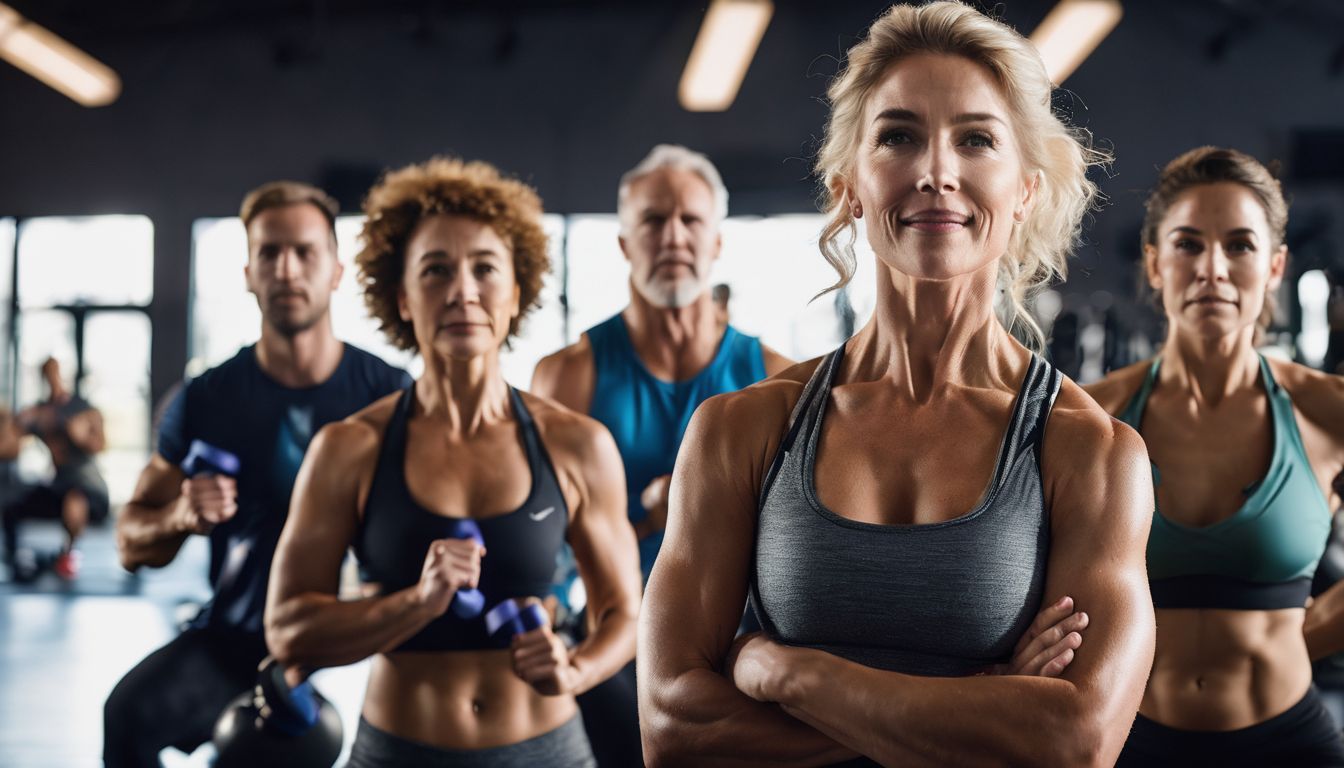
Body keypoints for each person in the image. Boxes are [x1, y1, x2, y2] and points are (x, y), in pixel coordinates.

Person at [639, 3, 1156, 766]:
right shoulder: (742, 430)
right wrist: (973, 706)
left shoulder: (1091, 453)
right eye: (898, 136)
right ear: (852, 183)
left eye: (976, 139)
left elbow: (1071, 742)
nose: (935, 171)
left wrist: (791, 671)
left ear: (1025, 192)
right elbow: (672, 727)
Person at [265, 157, 641, 768]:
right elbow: (288, 630)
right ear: (403, 298)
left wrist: (576, 669)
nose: (463, 291)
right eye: (435, 270)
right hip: (397, 750)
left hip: (548, 751)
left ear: (516, 293)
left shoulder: (576, 445)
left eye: (485, 269)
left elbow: (624, 611)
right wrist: (417, 602)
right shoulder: (349, 448)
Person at [105, 181, 410, 768]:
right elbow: (129, 542)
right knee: (127, 718)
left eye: (305, 252)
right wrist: (181, 514)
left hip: (357, 642)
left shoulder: (387, 395)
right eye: (269, 253)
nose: (286, 270)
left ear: (336, 271)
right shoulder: (206, 398)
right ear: (248, 272)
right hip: (242, 641)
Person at [531, 144, 791, 766]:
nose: (672, 236)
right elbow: (545, 543)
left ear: (717, 242)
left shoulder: (775, 379)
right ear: (624, 243)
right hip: (613, 653)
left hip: (736, 656)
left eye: (690, 220)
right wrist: (648, 517)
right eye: (652, 220)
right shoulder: (568, 377)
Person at [1085, 147, 1344, 766]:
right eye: (1188, 244)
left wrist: (1295, 637)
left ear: (1276, 266)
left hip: (1291, 744)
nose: (1213, 269)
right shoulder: (1090, 418)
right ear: (1155, 262)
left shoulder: (1324, 411)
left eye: (1240, 245)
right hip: (1131, 738)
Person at [0, 357, 108, 581]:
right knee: (10, 503)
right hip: (58, 482)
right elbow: (9, 448)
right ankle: (12, 557)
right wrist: (7, 421)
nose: (52, 379)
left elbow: (100, 445)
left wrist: (79, 435)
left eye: (55, 372)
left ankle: (68, 554)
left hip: (89, 485)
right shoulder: (40, 413)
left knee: (75, 499)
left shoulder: (83, 409)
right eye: (47, 374)